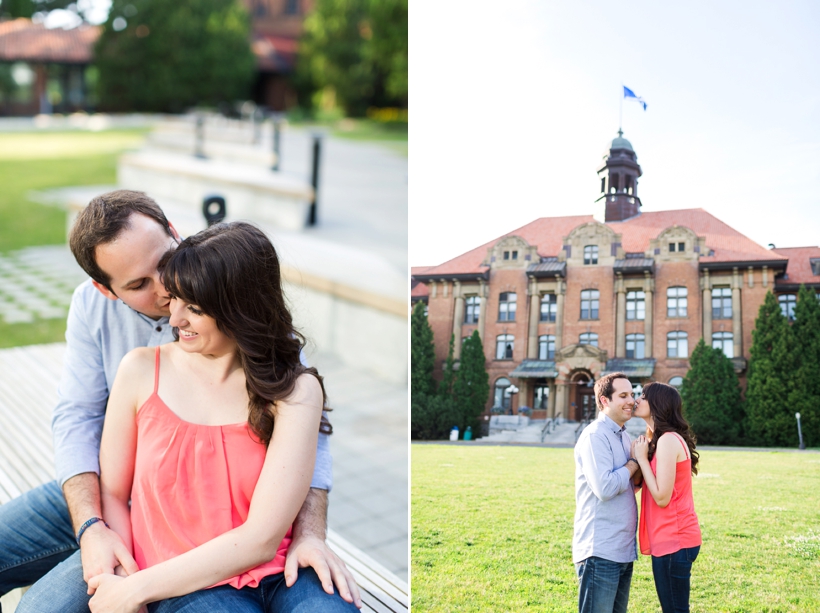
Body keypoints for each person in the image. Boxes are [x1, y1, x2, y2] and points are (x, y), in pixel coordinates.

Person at [4, 191, 359, 611]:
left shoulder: (235, 299)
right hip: (116, 489)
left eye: (165, 263)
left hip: (233, 527)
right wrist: (92, 526)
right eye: (138, 284)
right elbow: (77, 416)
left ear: (174, 233)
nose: (166, 293)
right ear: (105, 289)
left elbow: (308, 438)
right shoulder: (101, 321)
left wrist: (310, 532)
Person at [572, 372, 642, 613]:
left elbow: (628, 483)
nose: (631, 400)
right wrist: (634, 463)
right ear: (604, 401)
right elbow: (606, 487)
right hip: (600, 551)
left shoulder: (622, 434)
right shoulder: (595, 436)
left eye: (632, 394)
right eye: (623, 395)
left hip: (622, 549)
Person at [632, 382, 701, 613]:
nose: (637, 399)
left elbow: (662, 497)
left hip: (675, 540)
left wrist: (641, 459)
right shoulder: (658, 439)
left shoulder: (668, 440)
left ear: (657, 404)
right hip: (667, 538)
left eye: (643, 396)